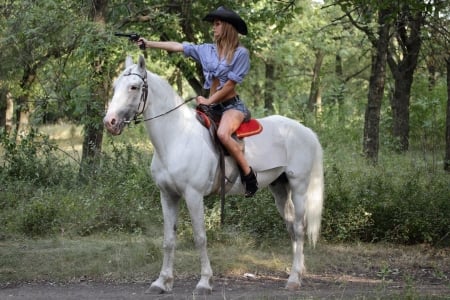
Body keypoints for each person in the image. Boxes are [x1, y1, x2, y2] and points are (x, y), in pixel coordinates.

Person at [137, 6, 258, 197]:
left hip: (231, 106)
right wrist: (148, 43)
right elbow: (178, 46)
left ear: (227, 27)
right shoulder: (206, 50)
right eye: (213, 25)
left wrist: (208, 100)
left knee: (223, 134)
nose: (213, 28)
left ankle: (248, 174)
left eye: (217, 24)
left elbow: (229, 86)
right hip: (210, 106)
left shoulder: (240, 54)